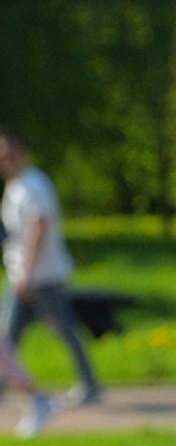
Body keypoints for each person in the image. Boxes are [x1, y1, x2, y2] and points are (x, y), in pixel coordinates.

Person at [0, 127, 102, 408]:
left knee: (62, 329)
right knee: (9, 335)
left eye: (9, 154)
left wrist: (26, 273)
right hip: (24, 274)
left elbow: (38, 227)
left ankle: (90, 384)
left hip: (40, 275)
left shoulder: (33, 184)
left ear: (22, 153)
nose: (4, 160)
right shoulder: (16, 187)